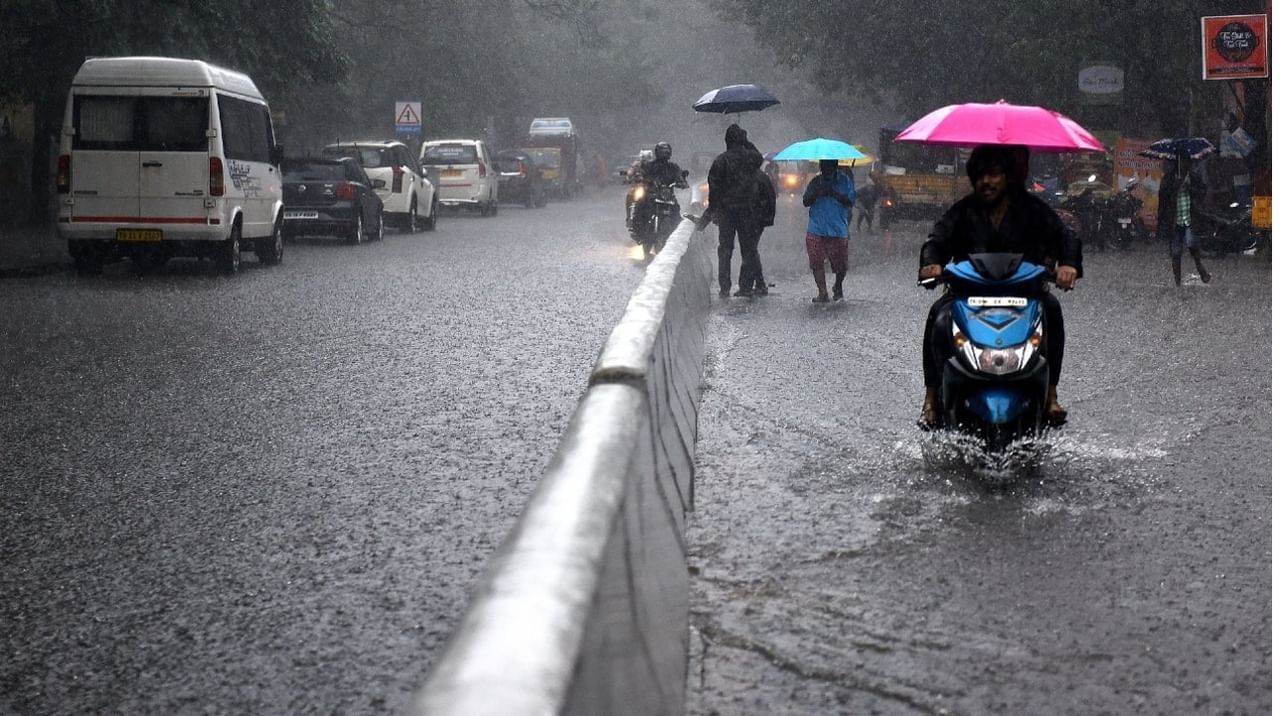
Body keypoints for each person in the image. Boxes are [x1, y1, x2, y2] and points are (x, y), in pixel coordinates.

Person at [916, 143, 1081, 429]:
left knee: (1052, 310)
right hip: (969, 295)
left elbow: (1065, 236)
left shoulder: (1032, 210)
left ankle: (1051, 394)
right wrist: (931, 263)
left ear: (1007, 176)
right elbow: (936, 240)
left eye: (993, 174)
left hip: (1025, 295)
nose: (986, 182)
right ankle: (931, 397)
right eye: (980, 176)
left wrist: (1069, 265)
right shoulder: (963, 211)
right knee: (938, 318)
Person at [705, 124, 765, 297]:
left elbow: (714, 189)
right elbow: (759, 158)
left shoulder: (720, 161)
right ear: (741, 140)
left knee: (725, 249)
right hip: (748, 211)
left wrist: (713, 210)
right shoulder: (751, 158)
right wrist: (748, 142)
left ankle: (725, 287)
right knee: (749, 249)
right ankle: (745, 286)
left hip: (727, 212)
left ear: (726, 141)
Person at [801, 158, 855, 302]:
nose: (825, 168)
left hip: (837, 228)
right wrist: (817, 193)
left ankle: (838, 285)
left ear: (835, 166)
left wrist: (833, 193)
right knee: (816, 261)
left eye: (829, 165)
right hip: (816, 227)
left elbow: (850, 201)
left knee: (841, 265)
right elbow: (805, 201)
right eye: (823, 165)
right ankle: (822, 292)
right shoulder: (816, 182)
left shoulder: (844, 181)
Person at [1156, 155, 1211, 286]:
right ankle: (1177, 282)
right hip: (1174, 220)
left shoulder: (1193, 178)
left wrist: (1190, 189)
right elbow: (1163, 198)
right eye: (1182, 163)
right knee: (1175, 252)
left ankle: (1200, 268)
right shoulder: (1169, 179)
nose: (1184, 166)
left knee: (1193, 244)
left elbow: (1202, 192)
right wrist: (1174, 187)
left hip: (1190, 219)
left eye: (1187, 163)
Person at [746, 168, 777, 295]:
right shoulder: (761, 176)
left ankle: (756, 283)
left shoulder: (754, 177)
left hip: (753, 219)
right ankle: (754, 283)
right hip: (757, 219)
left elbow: (769, 198)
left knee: (750, 249)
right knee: (750, 249)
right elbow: (771, 198)